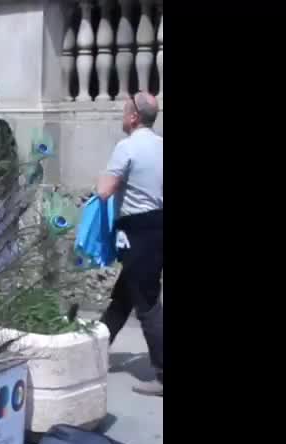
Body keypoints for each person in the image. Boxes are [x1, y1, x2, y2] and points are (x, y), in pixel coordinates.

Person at [97, 92, 163, 395]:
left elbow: (104, 191)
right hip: (158, 227)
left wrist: (115, 181)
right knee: (125, 294)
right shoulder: (161, 146)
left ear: (134, 117)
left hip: (138, 231)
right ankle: (95, 350)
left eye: (125, 111)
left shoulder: (127, 147)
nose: (123, 116)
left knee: (146, 302)